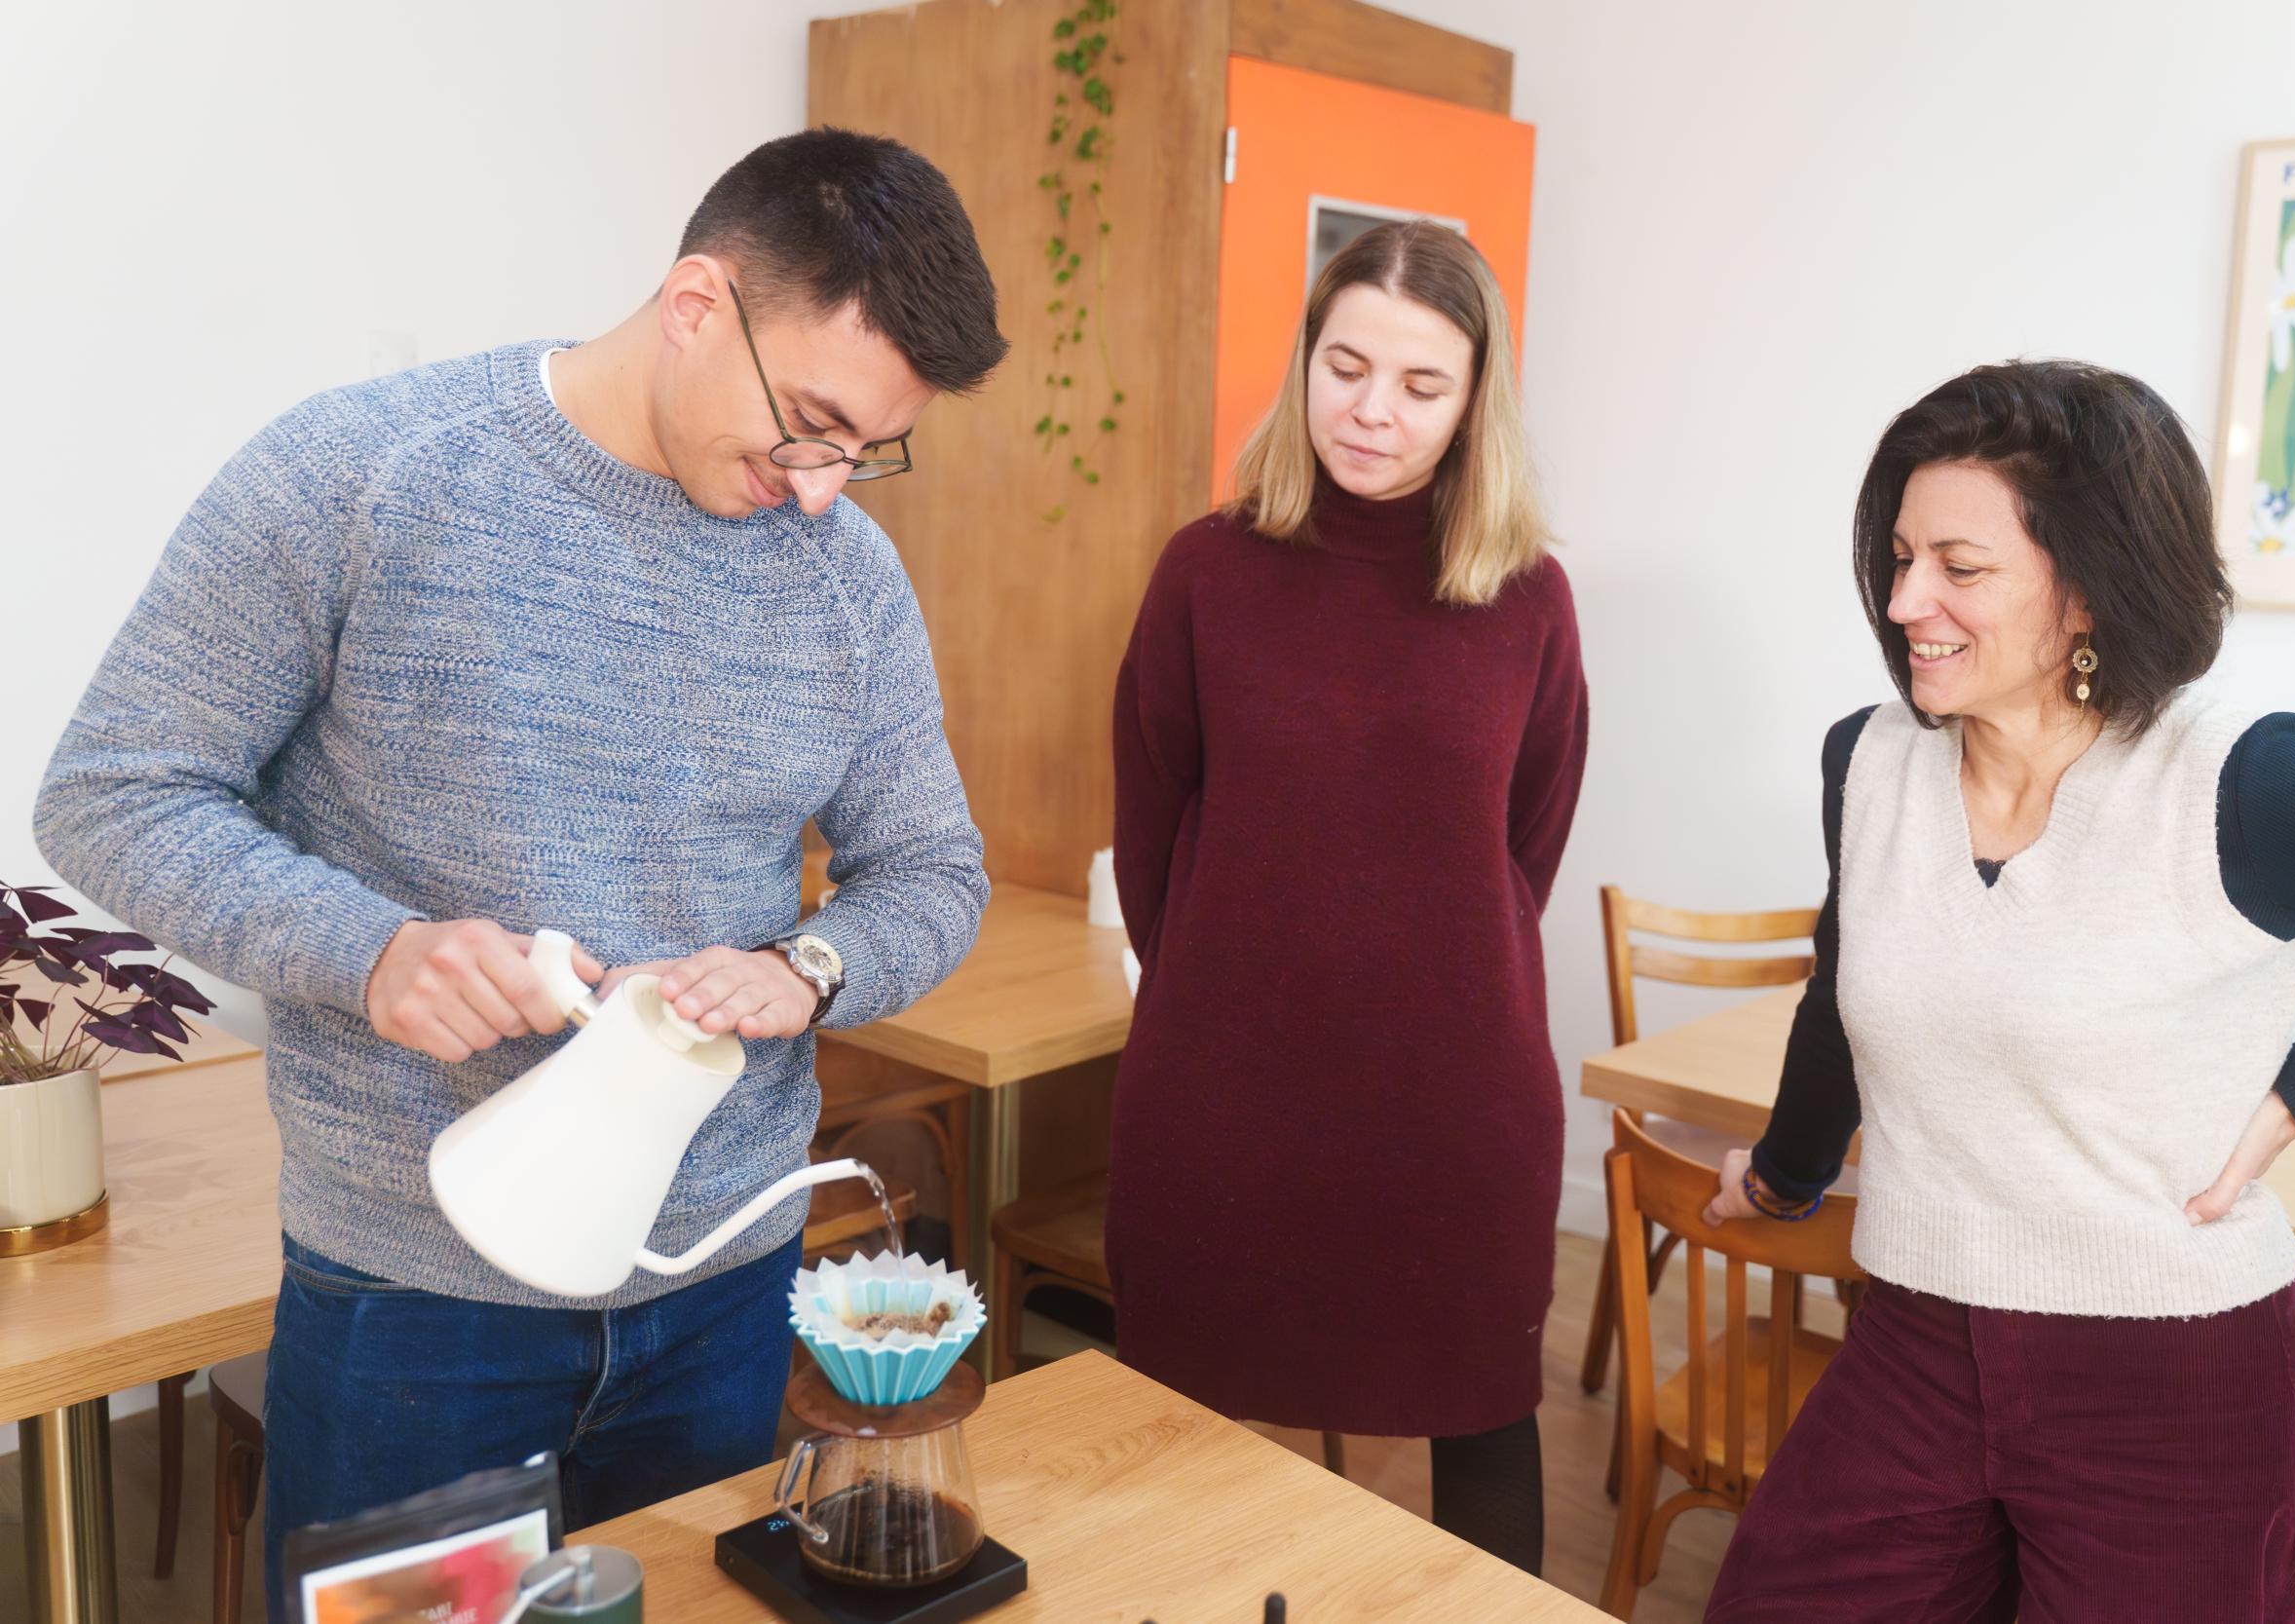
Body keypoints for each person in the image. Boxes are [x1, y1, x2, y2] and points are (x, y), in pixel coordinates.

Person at [33, 128, 1006, 1616]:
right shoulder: (363, 475)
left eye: (864, 450)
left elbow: (931, 872)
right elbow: (113, 791)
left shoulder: (849, 580)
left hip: (723, 1286)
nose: (823, 489)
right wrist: (370, 950)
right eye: (808, 424)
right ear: (697, 304)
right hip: (415, 1308)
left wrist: (806, 968)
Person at [1699, 360, 2295, 1622]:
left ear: (2090, 585)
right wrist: (1783, 1173)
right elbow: (1845, 992)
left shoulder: (2246, 785)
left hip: (2172, 1382)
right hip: (1918, 1339)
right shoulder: (1869, 763)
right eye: (1897, 556)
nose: (1902, 600)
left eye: (1958, 568)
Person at [1107, 220, 1588, 1574]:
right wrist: (1229, 980)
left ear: (1475, 399)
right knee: (1171, 1449)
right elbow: (1155, 826)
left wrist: (1430, 962)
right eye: (1345, 365)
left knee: (1485, 1429)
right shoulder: (1207, 570)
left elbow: (1522, 850)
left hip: (1456, 1107)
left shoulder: (1529, 599)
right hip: (1224, 1094)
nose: (1372, 411)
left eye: (1421, 386)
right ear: (1304, 363)